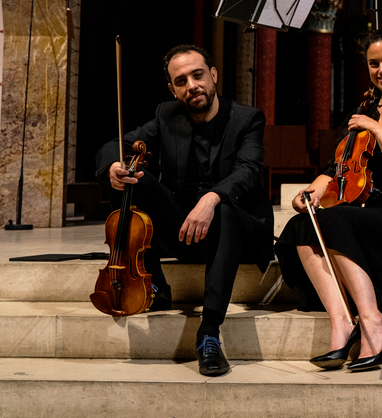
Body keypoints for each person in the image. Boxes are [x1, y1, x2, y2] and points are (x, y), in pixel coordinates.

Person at [275, 30, 382, 371]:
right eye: (373, 64)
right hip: (368, 218)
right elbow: (335, 168)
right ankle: (342, 322)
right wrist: (314, 190)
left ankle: (373, 320)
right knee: (302, 223)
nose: (381, 69)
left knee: (336, 220)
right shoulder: (363, 111)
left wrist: (380, 130)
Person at [97, 45, 271, 377]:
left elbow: (248, 171)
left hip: (236, 231)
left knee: (226, 209)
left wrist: (212, 198)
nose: (191, 85)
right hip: (184, 229)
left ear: (213, 75)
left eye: (198, 75)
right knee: (134, 176)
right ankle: (155, 285)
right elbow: (114, 144)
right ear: (173, 89)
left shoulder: (247, 118)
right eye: (181, 80)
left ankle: (208, 331)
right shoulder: (167, 115)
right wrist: (114, 166)